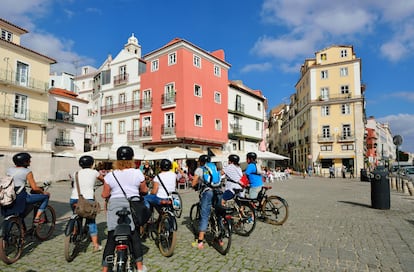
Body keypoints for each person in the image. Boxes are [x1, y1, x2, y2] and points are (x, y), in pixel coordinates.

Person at [101, 146, 148, 272]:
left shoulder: (111, 175)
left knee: (112, 236)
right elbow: (144, 190)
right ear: (132, 159)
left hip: (115, 205)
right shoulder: (137, 173)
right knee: (134, 236)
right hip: (132, 206)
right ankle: (139, 267)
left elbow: (104, 195)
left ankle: (105, 269)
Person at [69, 155, 104, 252]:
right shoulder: (94, 172)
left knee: (76, 215)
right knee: (91, 221)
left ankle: (74, 232)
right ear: (92, 164)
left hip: (74, 199)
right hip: (88, 200)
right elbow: (104, 180)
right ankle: (95, 245)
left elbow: (73, 184)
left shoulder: (75, 173)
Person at [4, 152, 50, 223]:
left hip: (9, 196)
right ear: (24, 162)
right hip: (21, 196)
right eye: (29, 160)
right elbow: (34, 188)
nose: (30, 162)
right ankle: (37, 218)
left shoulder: (9, 170)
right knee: (45, 197)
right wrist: (43, 192)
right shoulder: (27, 171)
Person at [191, 154, 214, 250]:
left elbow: (194, 183)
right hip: (217, 190)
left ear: (200, 161)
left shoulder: (200, 169)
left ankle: (200, 242)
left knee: (204, 215)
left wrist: (194, 186)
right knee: (218, 212)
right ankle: (219, 238)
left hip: (207, 192)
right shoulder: (213, 167)